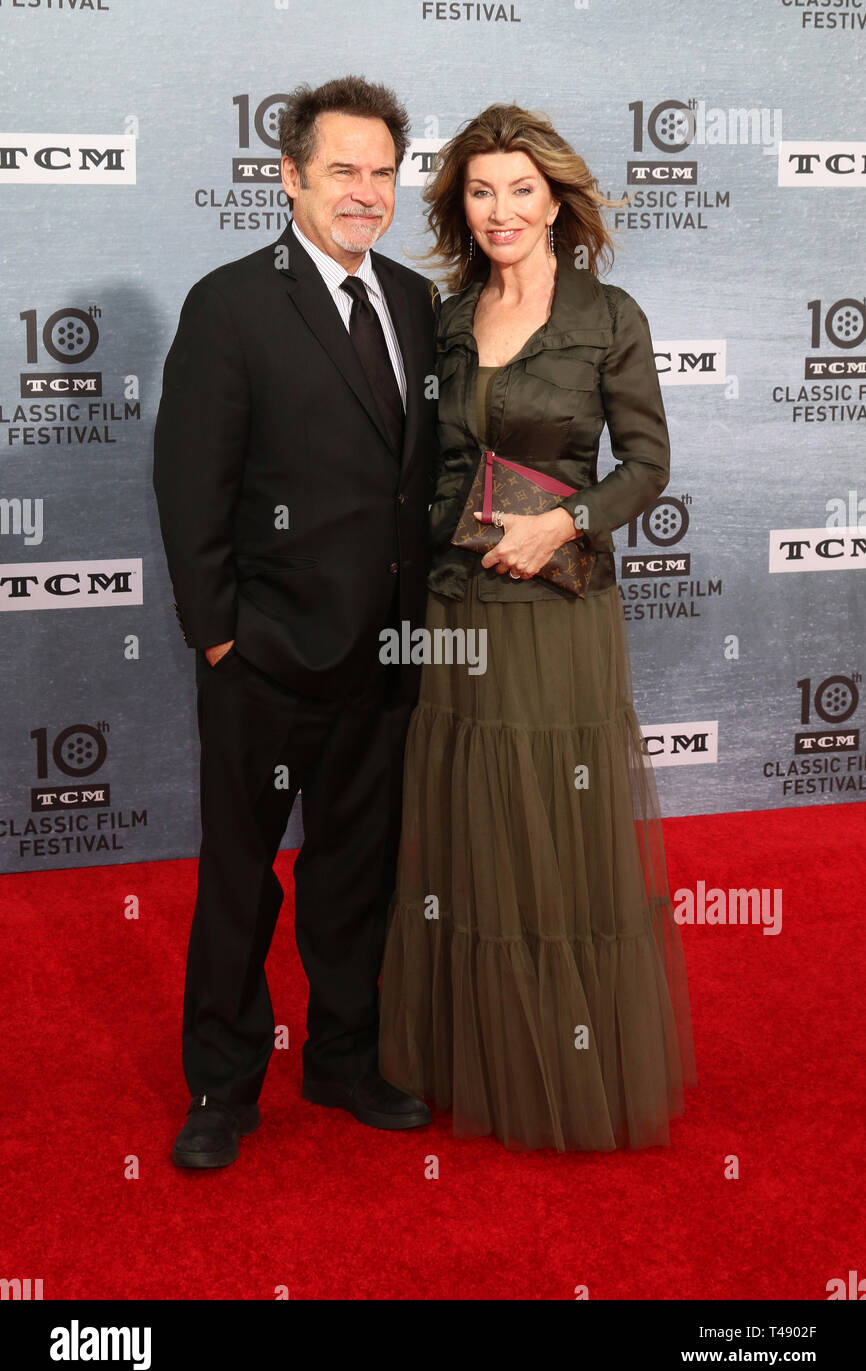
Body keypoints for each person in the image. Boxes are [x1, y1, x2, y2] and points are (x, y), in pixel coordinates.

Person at [378, 104, 697, 1153]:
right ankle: (470, 1052)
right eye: (479, 191)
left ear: (555, 199)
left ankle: (562, 1064)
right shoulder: (439, 317)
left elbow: (645, 467)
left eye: (520, 189)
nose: (500, 209)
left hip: (553, 611)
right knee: (466, 823)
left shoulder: (608, 316)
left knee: (550, 833)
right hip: (449, 607)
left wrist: (566, 516)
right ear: (458, 206)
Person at [153, 75, 439, 1169]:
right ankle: (222, 1087)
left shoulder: (412, 301)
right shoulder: (230, 303)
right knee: (239, 879)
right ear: (289, 177)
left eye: (381, 172)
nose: (364, 193)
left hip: (382, 659)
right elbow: (190, 487)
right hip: (264, 661)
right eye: (341, 172)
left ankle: (342, 1059)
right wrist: (220, 635)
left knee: (352, 873)